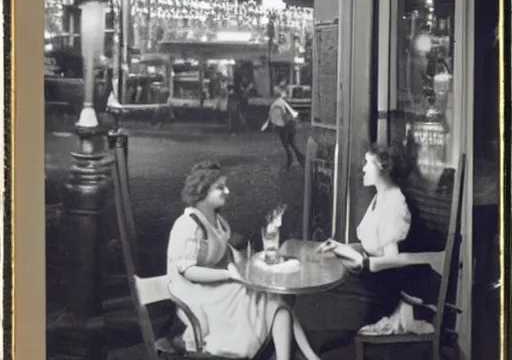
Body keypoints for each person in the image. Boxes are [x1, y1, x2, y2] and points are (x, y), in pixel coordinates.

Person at [293, 143, 440, 353]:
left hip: (379, 294)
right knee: (307, 299)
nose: (363, 168)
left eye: (367, 163)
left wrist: (362, 261)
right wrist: (341, 247)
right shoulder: (380, 198)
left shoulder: (396, 205)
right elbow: (372, 244)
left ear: (382, 167)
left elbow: (392, 258)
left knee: (309, 307)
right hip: (367, 283)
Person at [166, 161, 320, 360]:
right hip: (194, 293)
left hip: (214, 286)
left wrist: (254, 261)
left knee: (273, 298)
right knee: (267, 298)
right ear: (201, 191)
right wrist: (228, 274)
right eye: (220, 187)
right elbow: (188, 272)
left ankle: (306, 356)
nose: (227, 191)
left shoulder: (216, 220)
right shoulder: (187, 224)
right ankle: (309, 356)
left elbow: (227, 252)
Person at [261, 88, 305, 169]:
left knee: (286, 144)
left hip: (285, 127)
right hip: (290, 126)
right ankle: (300, 159)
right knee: (292, 143)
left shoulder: (280, 103)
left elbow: (282, 116)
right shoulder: (285, 102)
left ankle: (293, 159)